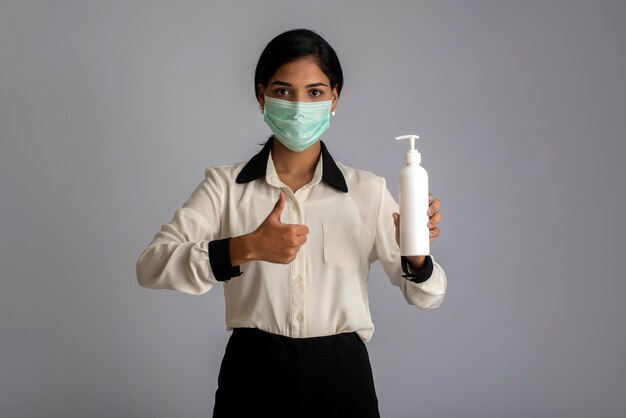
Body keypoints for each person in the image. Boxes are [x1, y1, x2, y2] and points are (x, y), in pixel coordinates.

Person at [136, 28, 446, 418]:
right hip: (252, 373)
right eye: (283, 91)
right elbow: (150, 266)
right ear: (261, 95)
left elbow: (427, 296)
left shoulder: (367, 191)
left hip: (341, 377)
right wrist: (244, 247)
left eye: (315, 92)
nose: (300, 107)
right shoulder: (224, 188)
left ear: (335, 98)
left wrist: (416, 257)